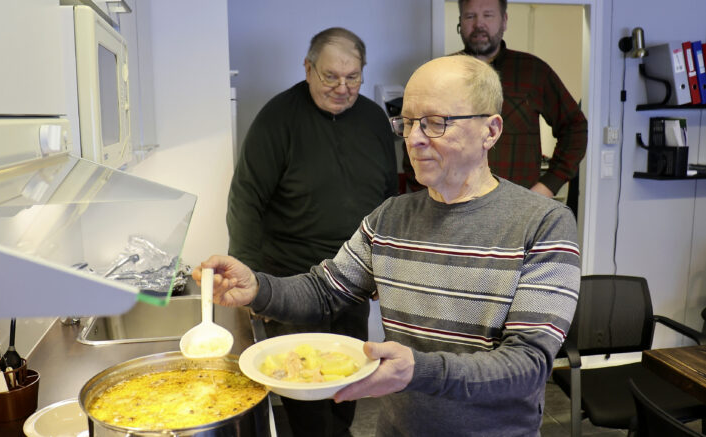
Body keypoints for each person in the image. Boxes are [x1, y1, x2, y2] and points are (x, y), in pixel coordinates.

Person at [200, 55, 581, 436]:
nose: (413, 139)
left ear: (490, 130)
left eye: (435, 123)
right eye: (409, 122)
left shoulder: (544, 224)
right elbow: (324, 291)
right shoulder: (389, 218)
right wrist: (257, 288)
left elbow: (527, 363)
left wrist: (420, 370)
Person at [226, 27, 398, 437]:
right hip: (291, 279)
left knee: (350, 376)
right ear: (308, 69)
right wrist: (250, 278)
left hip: (352, 276)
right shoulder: (278, 117)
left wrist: (384, 268)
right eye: (330, 76)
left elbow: (390, 199)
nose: (342, 87)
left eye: (352, 76)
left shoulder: (374, 119)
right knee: (306, 388)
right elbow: (245, 199)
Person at [404, 0, 588, 199]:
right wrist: (425, 196)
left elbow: (575, 128)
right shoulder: (439, 75)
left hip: (517, 207)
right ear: (460, 22)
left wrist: (549, 185)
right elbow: (415, 132)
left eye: (488, 15)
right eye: (470, 16)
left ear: (504, 21)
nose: (479, 24)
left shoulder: (534, 72)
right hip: (449, 207)